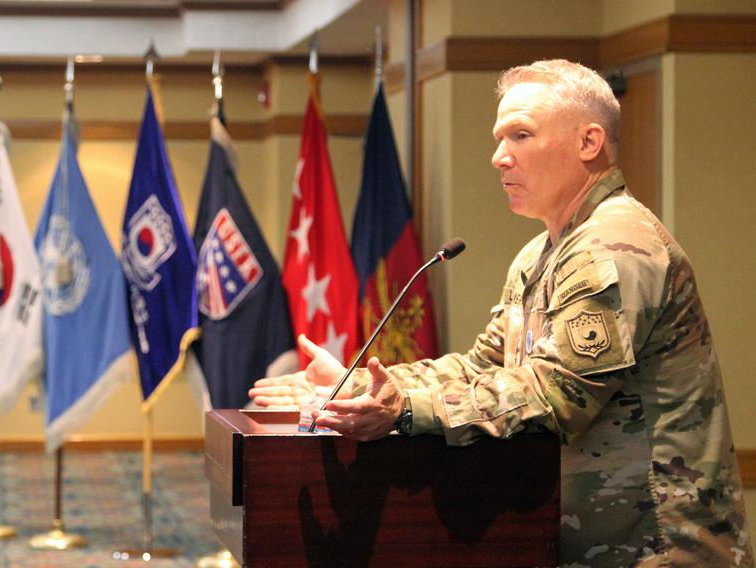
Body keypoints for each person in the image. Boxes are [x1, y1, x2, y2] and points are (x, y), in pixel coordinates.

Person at [250, 59, 752, 567]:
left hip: (655, 547)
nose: (498, 157)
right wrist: (361, 385)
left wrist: (403, 408)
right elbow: (482, 367)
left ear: (589, 142)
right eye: (499, 138)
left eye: (521, 135)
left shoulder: (613, 246)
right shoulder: (541, 253)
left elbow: (558, 395)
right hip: (586, 541)